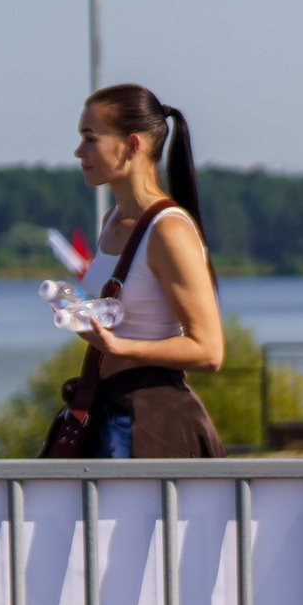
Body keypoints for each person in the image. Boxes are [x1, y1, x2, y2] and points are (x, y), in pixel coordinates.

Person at [70, 85, 225, 457]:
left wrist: (120, 347)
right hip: (108, 412)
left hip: (151, 425)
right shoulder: (113, 220)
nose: (79, 151)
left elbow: (209, 351)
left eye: (90, 138)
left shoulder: (168, 230)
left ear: (132, 145)